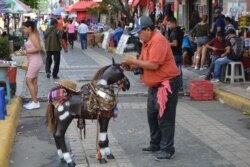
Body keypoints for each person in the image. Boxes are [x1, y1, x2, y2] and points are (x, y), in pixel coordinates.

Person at [122, 16, 180, 161]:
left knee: (165, 119)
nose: (138, 35)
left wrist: (133, 61)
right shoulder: (146, 42)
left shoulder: (158, 40)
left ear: (148, 30)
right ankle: (155, 144)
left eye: (140, 32)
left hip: (166, 85)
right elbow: (143, 62)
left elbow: (154, 65)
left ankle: (167, 149)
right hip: (154, 86)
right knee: (152, 117)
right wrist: (132, 66)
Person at [15, 21, 43, 110]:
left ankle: (35, 102)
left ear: (30, 28)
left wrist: (25, 52)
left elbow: (38, 48)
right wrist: (22, 53)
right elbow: (31, 49)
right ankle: (34, 100)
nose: (23, 30)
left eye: (25, 28)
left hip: (35, 61)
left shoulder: (33, 36)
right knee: (33, 81)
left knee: (28, 81)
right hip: (33, 61)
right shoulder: (30, 36)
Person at [167, 17, 184, 90]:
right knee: (179, 71)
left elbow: (174, 43)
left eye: (169, 24)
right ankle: (180, 85)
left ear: (173, 23)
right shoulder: (179, 30)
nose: (168, 26)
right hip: (179, 53)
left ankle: (176, 86)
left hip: (175, 54)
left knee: (173, 71)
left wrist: (167, 43)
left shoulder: (174, 32)